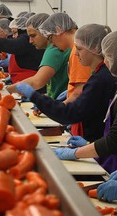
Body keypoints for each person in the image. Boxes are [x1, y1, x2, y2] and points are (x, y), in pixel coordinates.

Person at [14, 24, 116, 143]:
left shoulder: (100, 79)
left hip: (99, 146)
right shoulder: (100, 75)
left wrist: (35, 97)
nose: (76, 53)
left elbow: (70, 113)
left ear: (94, 48)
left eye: (79, 49)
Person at [53, 30, 117, 174]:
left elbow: (113, 140)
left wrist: (76, 153)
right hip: (108, 160)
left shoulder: (101, 79)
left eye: (109, 57)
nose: (105, 61)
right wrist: (90, 145)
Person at [38, 12, 92, 137]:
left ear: (59, 30)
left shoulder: (76, 53)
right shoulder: (75, 51)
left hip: (81, 114)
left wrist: (59, 108)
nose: (52, 44)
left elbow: (80, 90)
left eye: (50, 38)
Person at [7, 13, 69, 100]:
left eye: (33, 36)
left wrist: (7, 89)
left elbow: (37, 81)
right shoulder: (54, 48)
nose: (30, 41)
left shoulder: (54, 49)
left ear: (45, 31)